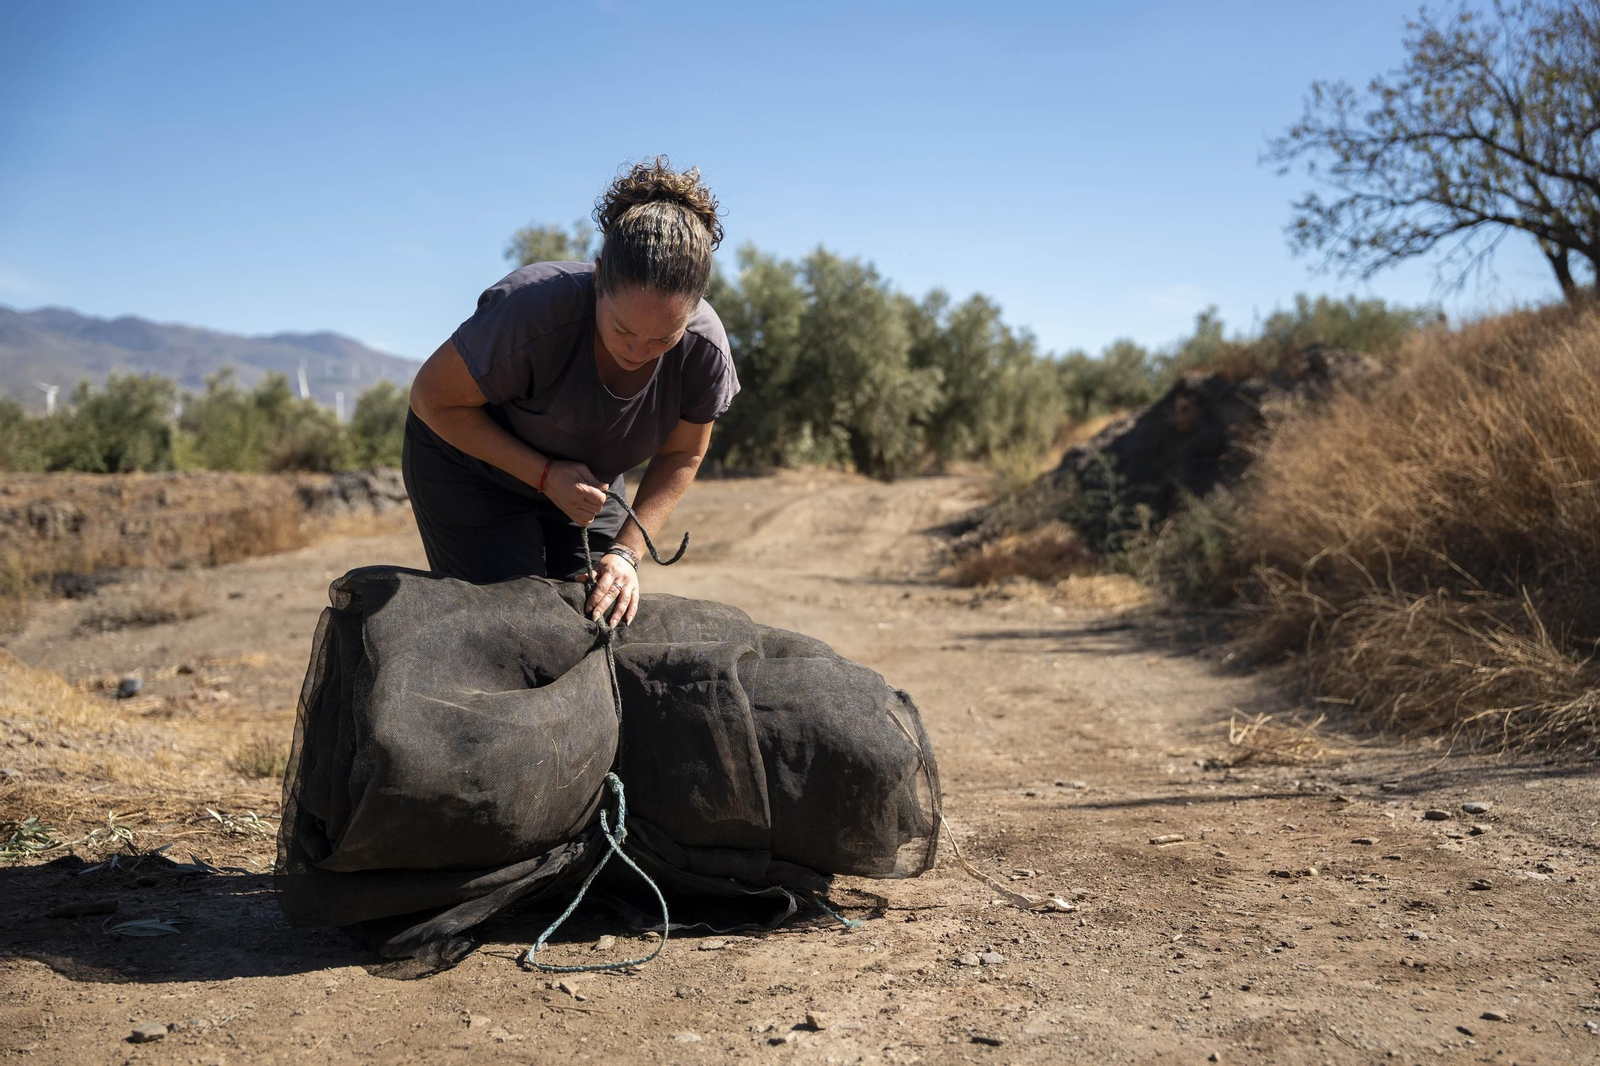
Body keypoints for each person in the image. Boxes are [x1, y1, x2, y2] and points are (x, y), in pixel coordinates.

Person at [404, 158, 737, 627]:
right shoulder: (532, 311)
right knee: (509, 626)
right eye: (622, 330)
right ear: (599, 278)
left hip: (586, 483)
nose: (639, 351)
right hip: (470, 469)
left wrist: (627, 552)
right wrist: (543, 475)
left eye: (663, 339)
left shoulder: (705, 350)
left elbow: (683, 454)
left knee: (597, 612)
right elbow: (431, 399)